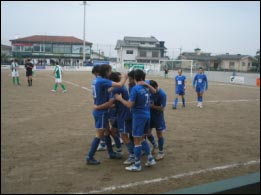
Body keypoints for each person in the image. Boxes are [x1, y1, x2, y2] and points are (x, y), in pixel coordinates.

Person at [86, 64, 128, 165]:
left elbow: (107, 89)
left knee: (107, 133)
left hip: (101, 110)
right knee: (99, 135)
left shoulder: (96, 80)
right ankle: (90, 157)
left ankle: (111, 153)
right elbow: (119, 85)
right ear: (105, 72)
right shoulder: (102, 80)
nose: (110, 73)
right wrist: (124, 77)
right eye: (110, 71)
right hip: (101, 112)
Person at [115, 69, 156, 172]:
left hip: (138, 117)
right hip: (147, 115)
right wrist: (147, 84)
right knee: (142, 138)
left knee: (137, 140)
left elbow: (129, 105)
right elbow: (155, 91)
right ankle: (150, 158)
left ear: (134, 78)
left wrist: (120, 99)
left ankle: (137, 164)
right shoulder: (145, 85)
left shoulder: (136, 89)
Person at [148, 80, 167, 161]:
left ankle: (161, 152)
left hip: (158, 117)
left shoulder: (162, 94)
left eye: (151, 89)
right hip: (149, 116)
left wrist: (152, 107)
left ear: (155, 87)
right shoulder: (149, 92)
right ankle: (154, 144)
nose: (150, 91)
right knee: (147, 133)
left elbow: (162, 109)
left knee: (159, 134)